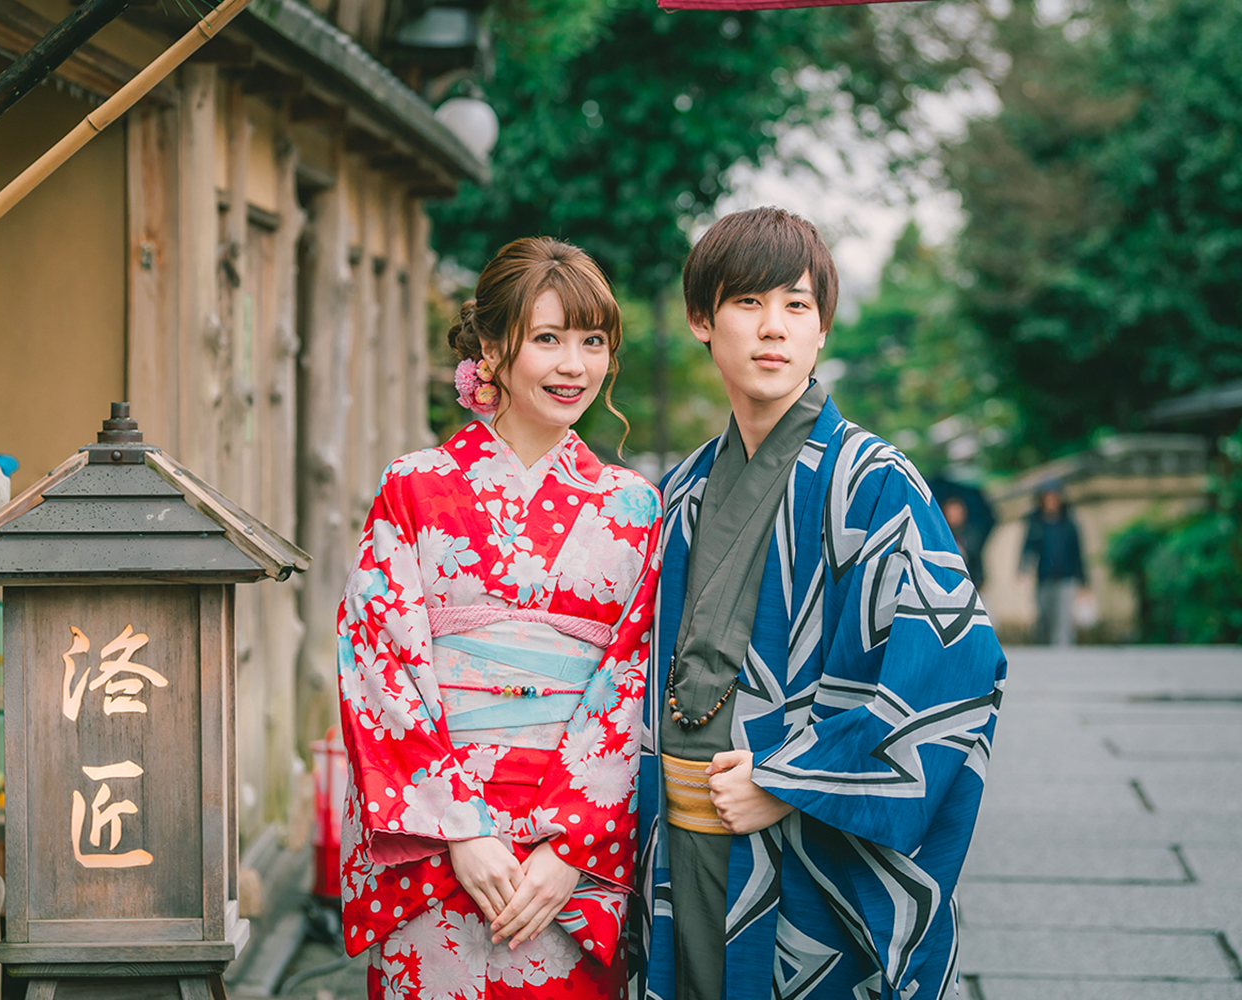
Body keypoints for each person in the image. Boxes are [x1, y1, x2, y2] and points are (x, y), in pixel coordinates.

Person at [636, 208, 1007, 1000]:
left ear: (822, 331)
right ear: (702, 320)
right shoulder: (682, 493)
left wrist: (786, 779)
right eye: (747, 303)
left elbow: (958, 667)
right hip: (680, 839)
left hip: (796, 837)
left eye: (797, 306)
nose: (773, 328)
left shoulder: (874, 483)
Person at [337, 237, 663, 1000]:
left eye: (592, 342)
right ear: (490, 347)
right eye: (547, 339)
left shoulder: (634, 505)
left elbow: (631, 684)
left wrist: (569, 849)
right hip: (440, 844)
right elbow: (377, 662)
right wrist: (462, 832)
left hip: (568, 860)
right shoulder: (414, 487)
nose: (574, 365)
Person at [1021, 478, 1085, 645]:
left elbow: (1078, 553)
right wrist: (1023, 567)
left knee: (1063, 619)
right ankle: (1043, 650)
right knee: (1044, 617)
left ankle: (1064, 653)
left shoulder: (1068, 524)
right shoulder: (1036, 523)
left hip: (1066, 577)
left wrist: (1084, 581)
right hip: (1044, 577)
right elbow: (1028, 547)